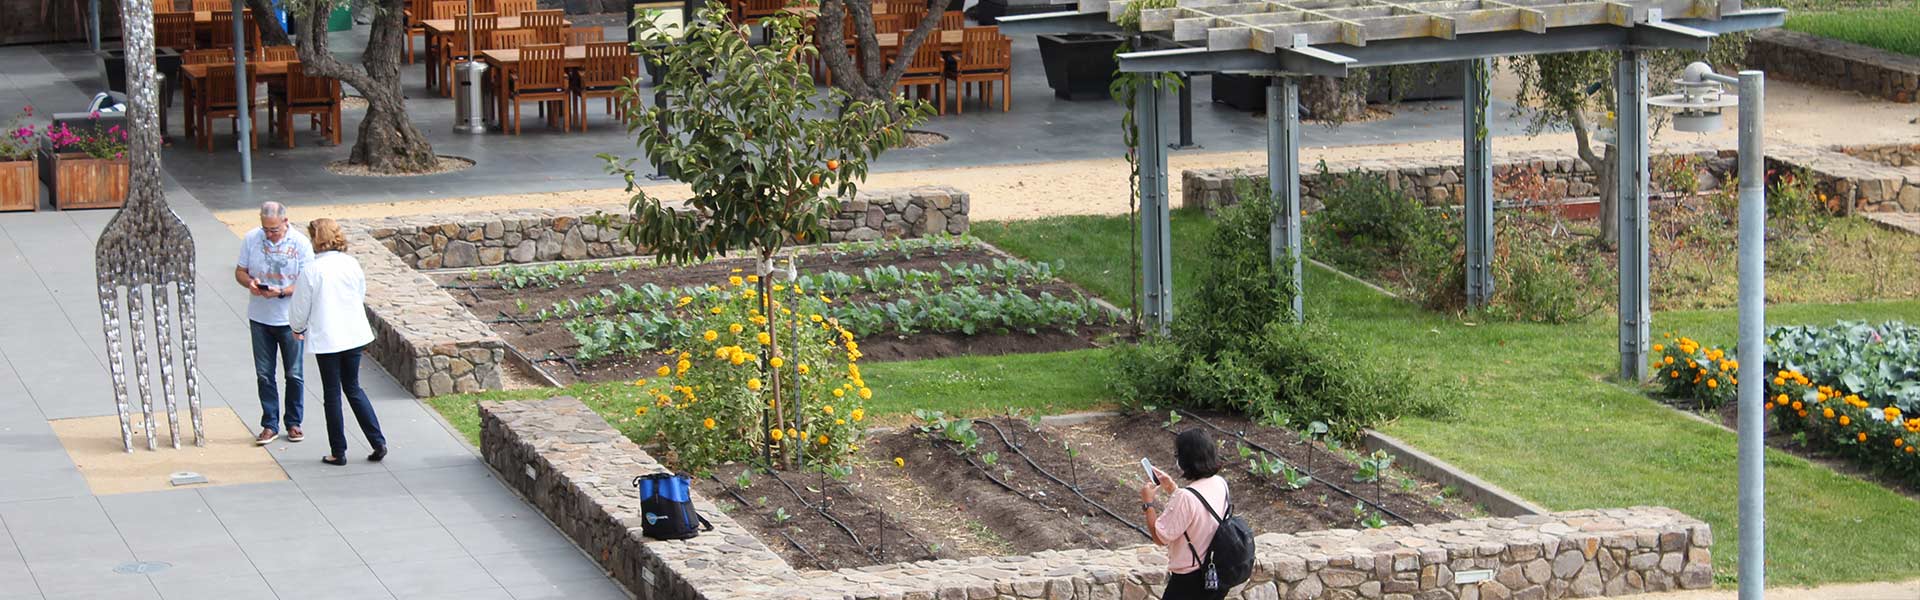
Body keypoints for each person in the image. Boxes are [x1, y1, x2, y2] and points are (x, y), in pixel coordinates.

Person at [289, 219, 387, 466]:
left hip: (328, 338)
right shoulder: (351, 264)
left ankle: (338, 451)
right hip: (353, 334)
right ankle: (378, 441)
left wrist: (297, 328)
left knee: (332, 393)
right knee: (353, 388)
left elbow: (300, 307)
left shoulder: (312, 270)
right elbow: (360, 293)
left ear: (315, 239)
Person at [236, 201, 313, 446]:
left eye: (274, 230)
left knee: (294, 373)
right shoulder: (251, 239)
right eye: (265, 230)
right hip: (260, 317)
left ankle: (293, 422)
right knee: (264, 374)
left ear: (285, 222)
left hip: (290, 318)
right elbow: (240, 271)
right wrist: (250, 283)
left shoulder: (300, 243)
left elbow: (307, 282)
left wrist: (282, 292)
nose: (269, 235)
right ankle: (269, 423)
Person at [1141, 429, 1230, 600]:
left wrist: (1148, 503)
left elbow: (1160, 537)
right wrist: (1172, 488)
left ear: (1185, 460)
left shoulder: (1186, 497)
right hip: (1214, 571)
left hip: (1189, 579)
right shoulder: (1220, 483)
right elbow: (1199, 510)